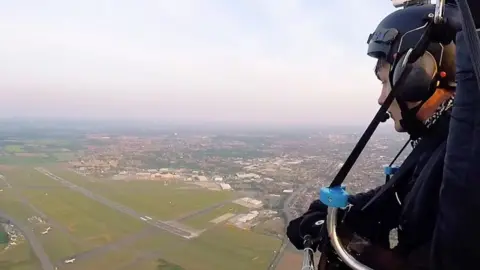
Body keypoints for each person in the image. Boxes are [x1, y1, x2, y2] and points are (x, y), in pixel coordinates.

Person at [286, 3, 458, 270]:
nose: (381, 98)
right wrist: (338, 214)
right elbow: (395, 197)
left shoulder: (462, 156)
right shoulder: (438, 141)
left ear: (417, 77)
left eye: (386, 81)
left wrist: (349, 243)